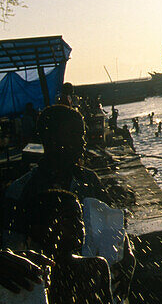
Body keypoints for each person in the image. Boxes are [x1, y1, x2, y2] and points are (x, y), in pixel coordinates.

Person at [1, 104, 107, 252]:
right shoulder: (21, 191)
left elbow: (109, 231)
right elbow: (12, 249)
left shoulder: (89, 180)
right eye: (74, 135)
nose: (83, 142)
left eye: (82, 135)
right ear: (51, 139)